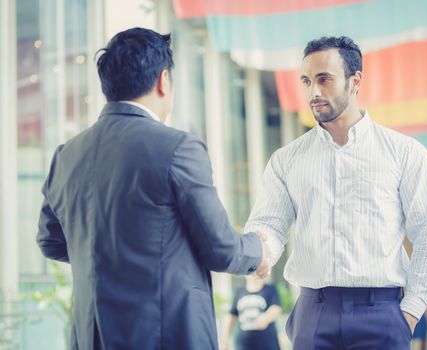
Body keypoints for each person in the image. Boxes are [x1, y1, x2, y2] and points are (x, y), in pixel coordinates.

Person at [36, 27, 270, 350]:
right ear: (163, 81)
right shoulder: (178, 148)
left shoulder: (66, 156)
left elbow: (51, 242)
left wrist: (107, 255)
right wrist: (258, 249)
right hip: (167, 338)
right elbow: (222, 249)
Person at [244, 35, 427, 349]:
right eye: (306, 81)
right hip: (313, 314)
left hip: (382, 314)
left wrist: (409, 312)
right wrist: (261, 248)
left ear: (356, 81)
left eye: (324, 79)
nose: (314, 91)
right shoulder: (286, 160)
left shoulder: (405, 153)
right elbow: (270, 224)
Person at [222, 275, 282, 350]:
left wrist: (266, 318)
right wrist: (225, 340)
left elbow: (276, 309)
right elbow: (232, 316)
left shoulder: (270, 289)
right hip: (243, 345)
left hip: (267, 343)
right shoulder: (239, 292)